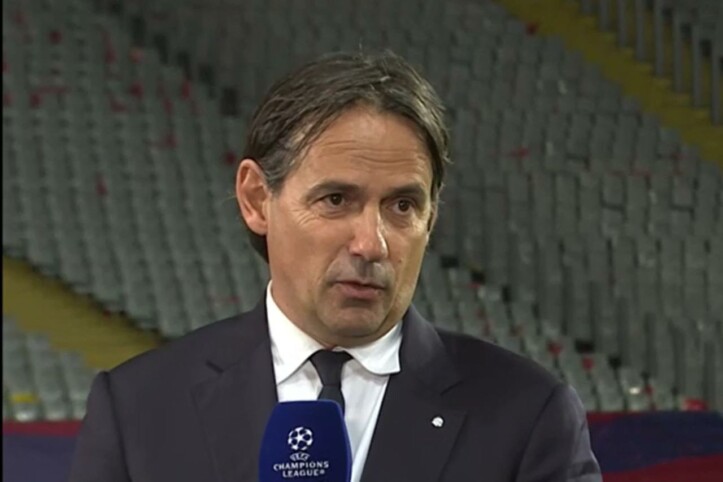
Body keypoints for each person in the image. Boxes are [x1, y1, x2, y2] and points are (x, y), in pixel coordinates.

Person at [68, 50, 601, 482]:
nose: (372, 244)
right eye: (336, 200)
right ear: (256, 199)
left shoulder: (528, 416)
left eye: (402, 206)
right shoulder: (139, 408)